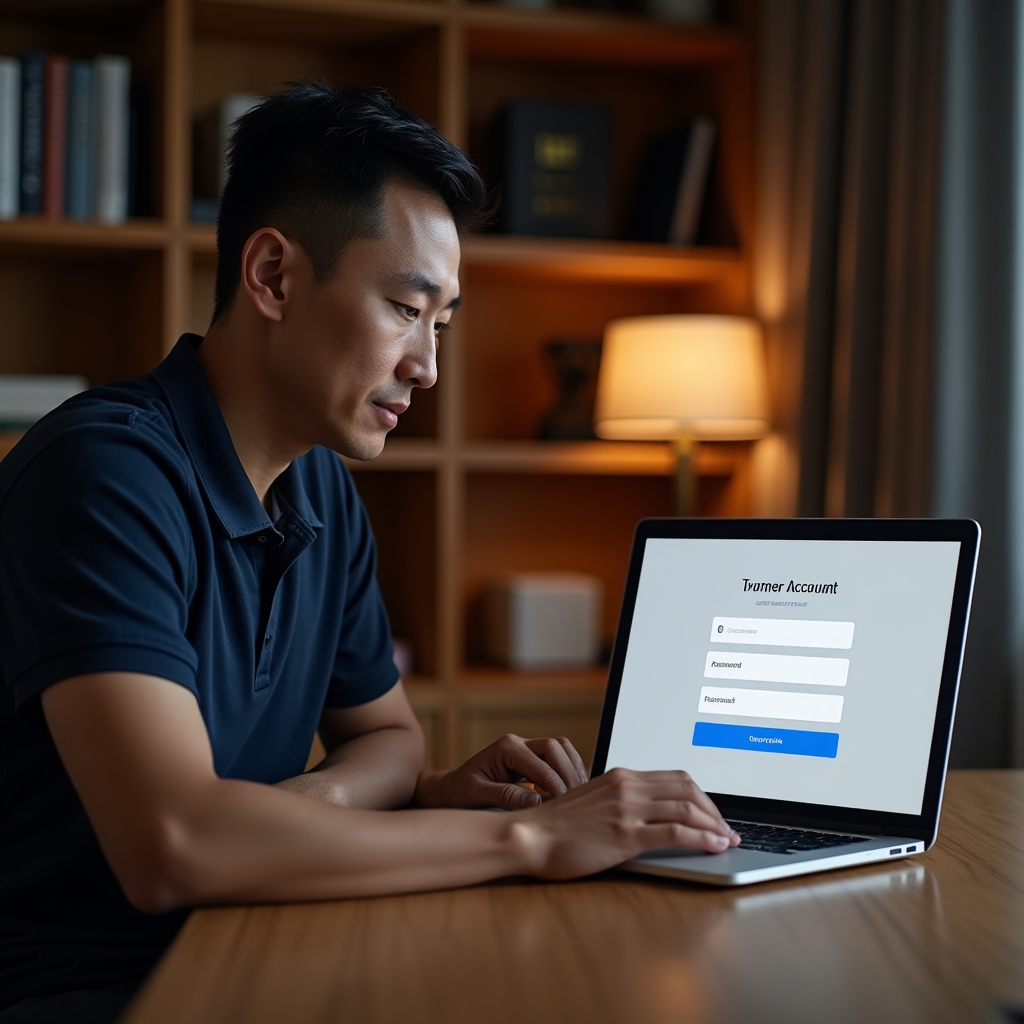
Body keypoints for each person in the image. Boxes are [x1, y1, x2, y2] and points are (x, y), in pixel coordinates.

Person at [0, 84, 739, 1023]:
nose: (427, 366)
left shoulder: (320, 487)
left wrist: (317, 808)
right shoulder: (103, 474)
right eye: (403, 307)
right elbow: (176, 847)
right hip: (89, 988)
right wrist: (536, 839)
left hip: (263, 932)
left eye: (441, 324)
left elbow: (392, 741)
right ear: (273, 276)